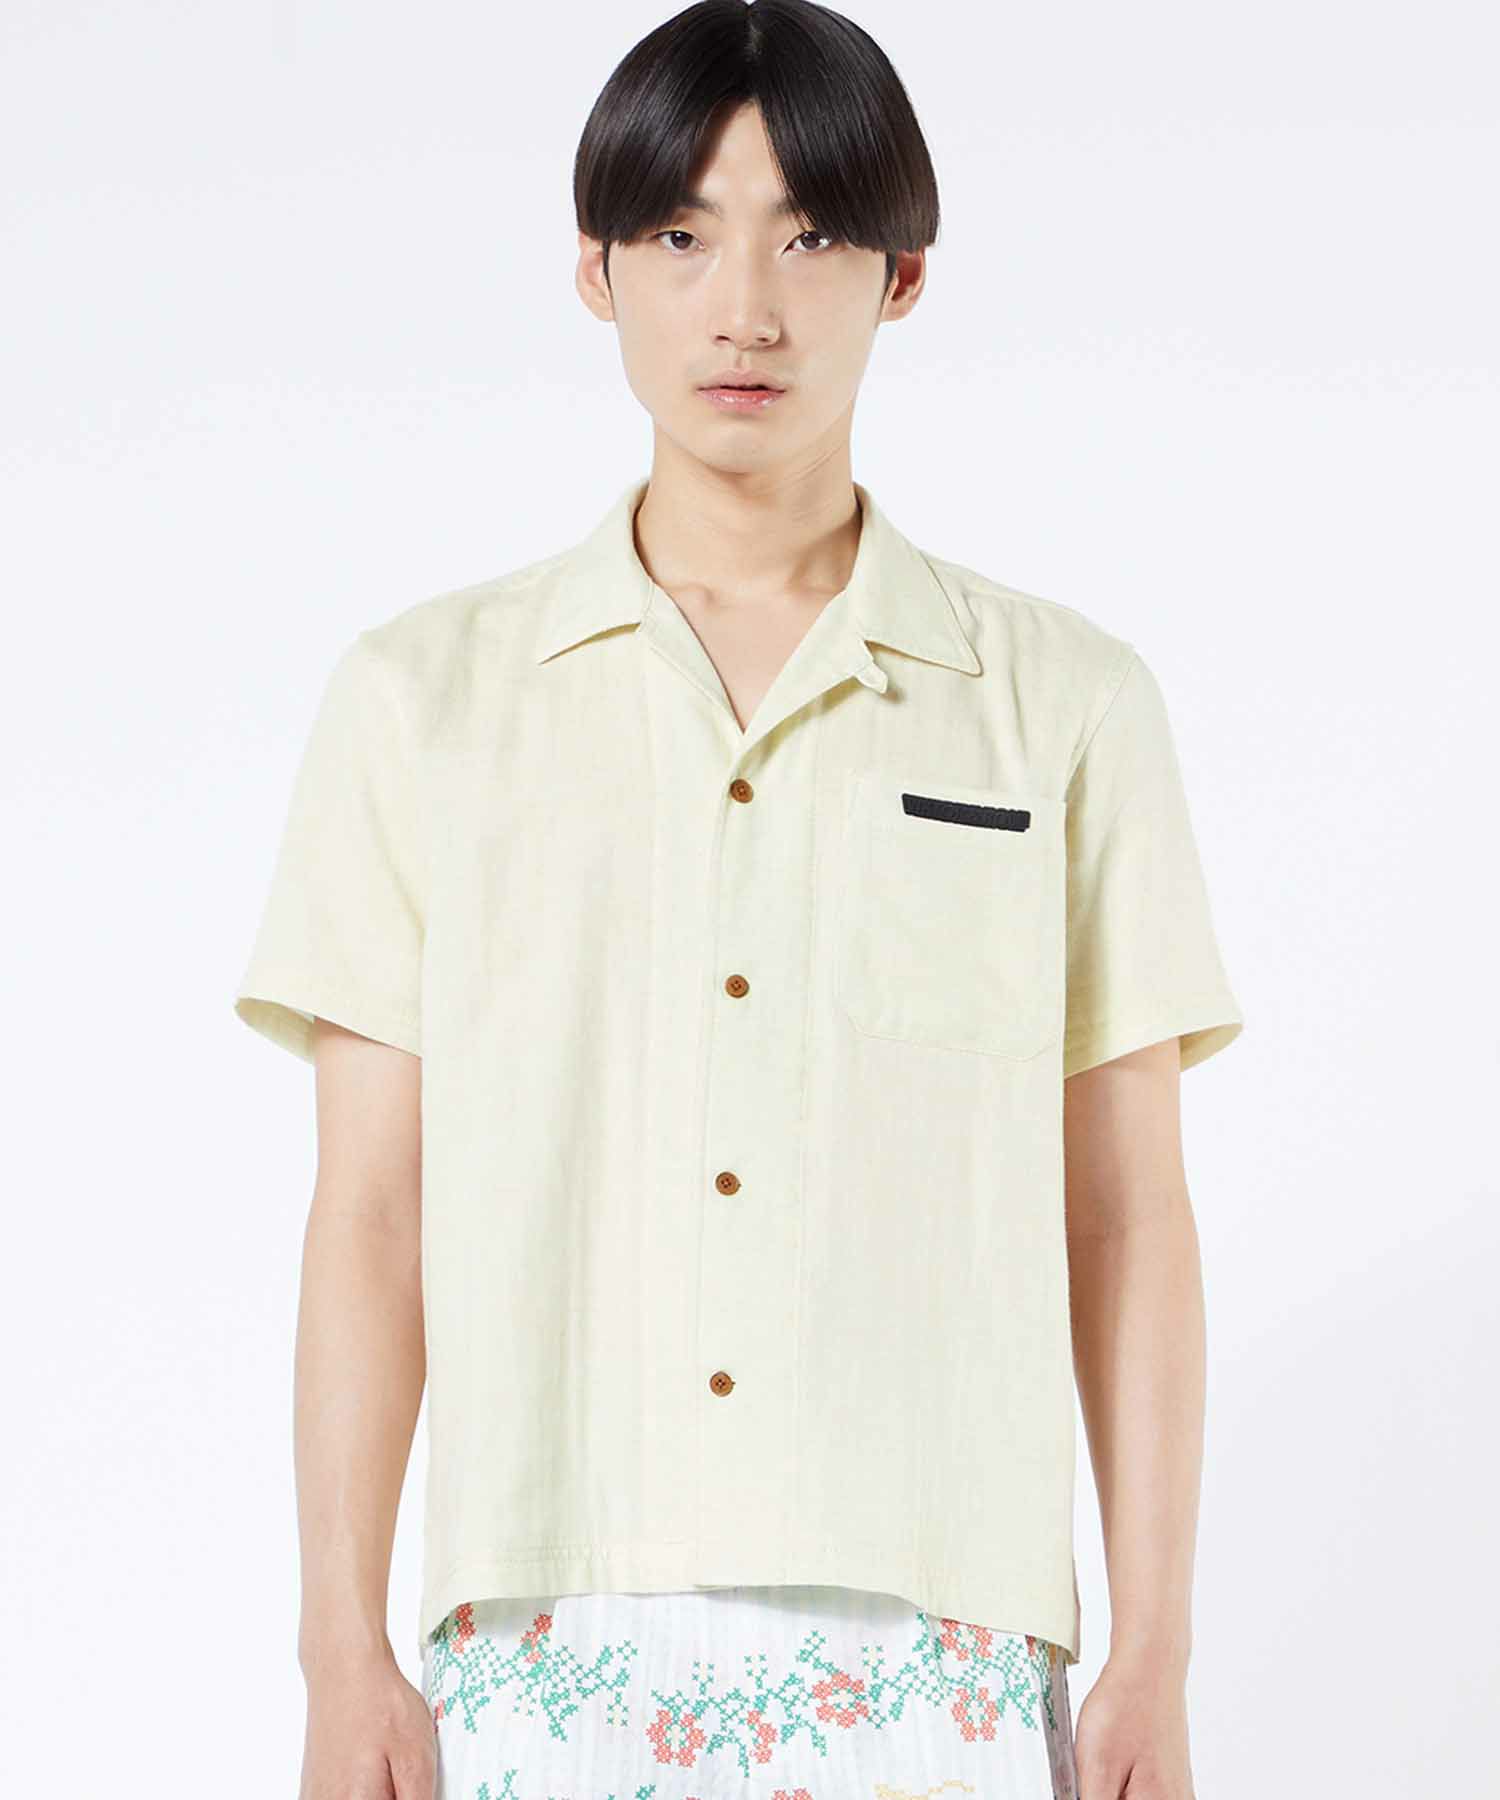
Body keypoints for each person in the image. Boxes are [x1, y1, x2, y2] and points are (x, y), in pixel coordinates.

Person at [234, 3, 1245, 1796]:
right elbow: (371, 1214)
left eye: (814, 236)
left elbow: (1127, 1215)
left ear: (904, 276)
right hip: (544, 1626)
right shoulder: (422, 702)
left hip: (940, 1636)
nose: (748, 309)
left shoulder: (1066, 706)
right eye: (682, 236)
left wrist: (1154, 1653)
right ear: (597, 271)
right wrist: (340, 1651)